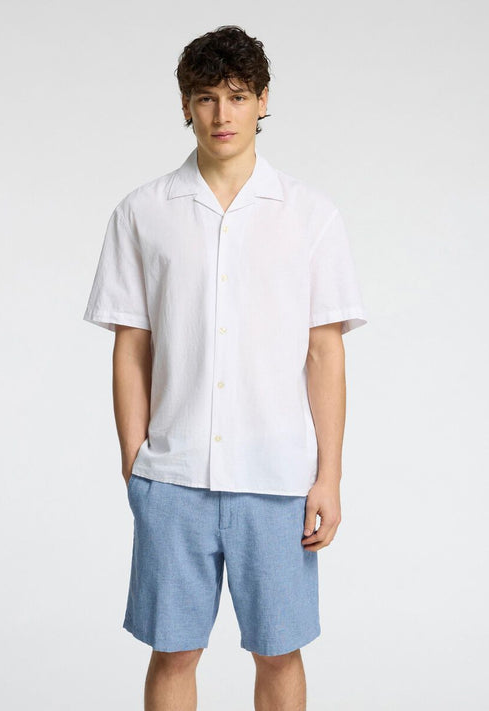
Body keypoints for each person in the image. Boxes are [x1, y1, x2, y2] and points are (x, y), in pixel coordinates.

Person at [83, 24, 368, 711]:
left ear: (263, 101)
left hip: (278, 478)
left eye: (237, 96)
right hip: (173, 477)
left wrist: (328, 474)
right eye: (206, 97)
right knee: (174, 651)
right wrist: (134, 461)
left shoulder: (310, 215)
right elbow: (131, 345)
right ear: (185, 103)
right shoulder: (142, 212)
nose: (221, 114)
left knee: (278, 649)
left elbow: (325, 351)